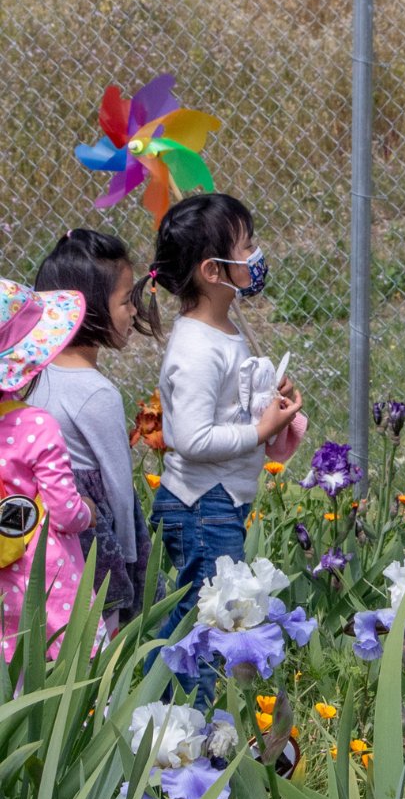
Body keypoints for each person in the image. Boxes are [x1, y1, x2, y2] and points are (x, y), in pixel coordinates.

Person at [132, 193, 303, 705]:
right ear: (213, 269)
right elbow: (191, 438)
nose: (256, 256)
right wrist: (257, 432)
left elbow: (226, 408)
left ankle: (188, 717)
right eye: (247, 247)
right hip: (203, 507)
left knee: (208, 618)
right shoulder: (195, 349)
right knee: (208, 625)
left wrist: (268, 406)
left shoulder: (224, 331)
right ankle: (189, 723)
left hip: (217, 502)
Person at [30, 229, 153, 634]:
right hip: (91, 543)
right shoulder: (96, 393)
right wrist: (131, 568)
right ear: (88, 312)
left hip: (40, 540)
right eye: (124, 302)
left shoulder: (29, 377)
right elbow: (118, 489)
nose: (134, 311)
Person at [0, 278, 97, 661]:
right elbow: (64, 511)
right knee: (72, 685)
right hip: (43, 577)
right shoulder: (36, 426)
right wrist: (88, 510)